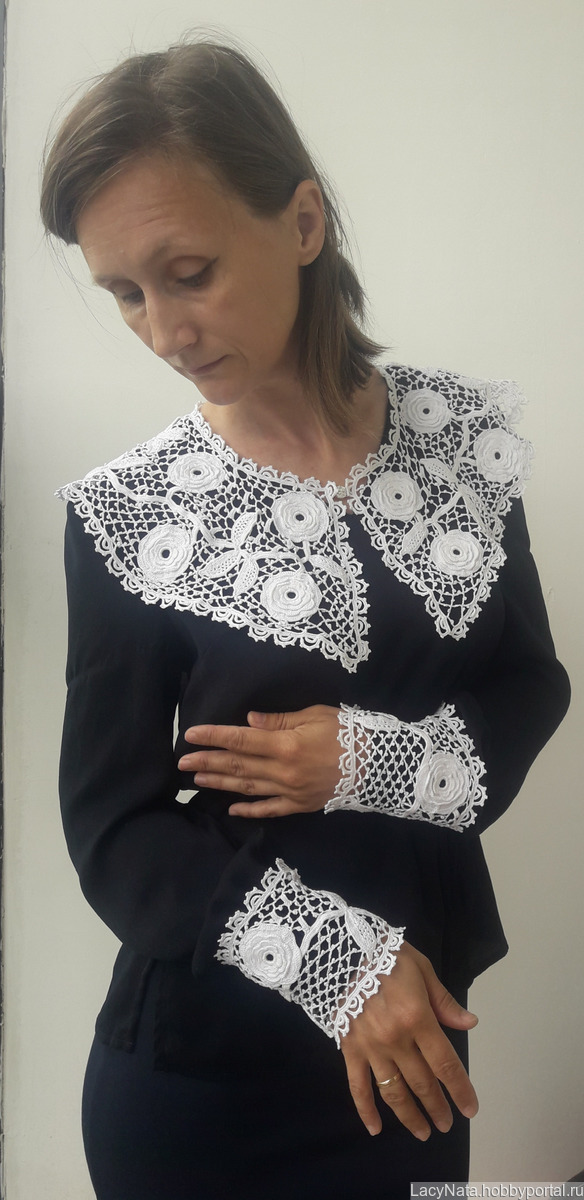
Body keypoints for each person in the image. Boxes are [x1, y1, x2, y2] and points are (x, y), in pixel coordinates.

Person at [41, 37, 570, 1200]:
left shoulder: (460, 447)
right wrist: (342, 961)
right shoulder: (129, 516)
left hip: (415, 1065)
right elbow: (114, 828)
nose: (163, 333)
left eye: (188, 273)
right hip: (199, 1076)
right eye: (124, 294)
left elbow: (529, 681)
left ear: (301, 221)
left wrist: (373, 763)